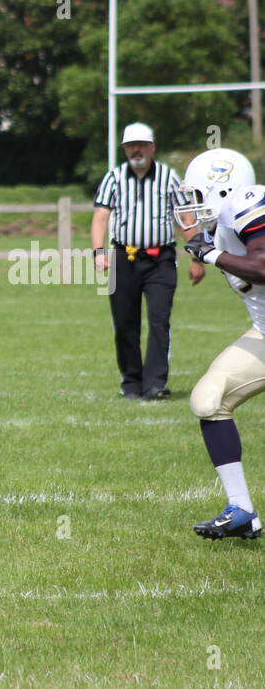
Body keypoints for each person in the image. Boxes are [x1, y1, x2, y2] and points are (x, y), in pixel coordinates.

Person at [179, 147, 265, 539]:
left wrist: (211, 254)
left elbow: (264, 266)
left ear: (225, 190)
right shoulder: (222, 223)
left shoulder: (250, 202)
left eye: (197, 195)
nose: (191, 205)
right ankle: (242, 511)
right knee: (209, 400)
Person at [91, 122, 204, 401]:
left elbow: (185, 218)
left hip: (160, 259)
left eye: (141, 145)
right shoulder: (114, 177)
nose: (136, 150)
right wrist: (98, 251)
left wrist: (196, 257)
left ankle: (155, 384)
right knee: (125, 322)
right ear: (125, 149)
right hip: (124, 257)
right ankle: (130, 383)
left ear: (152, 147)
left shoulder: (168, 177)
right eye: (131, 146)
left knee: (159, 320)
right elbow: (101, 217)